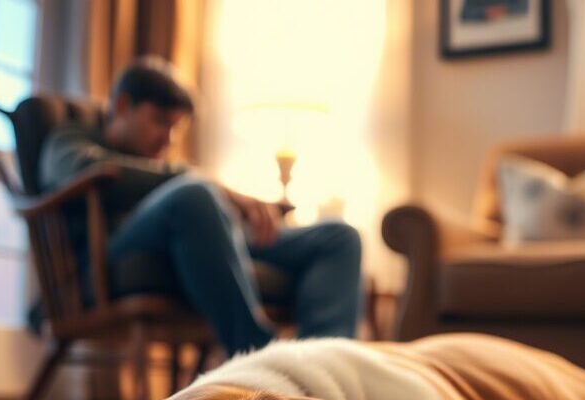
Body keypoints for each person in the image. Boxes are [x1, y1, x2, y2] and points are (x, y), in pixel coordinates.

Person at [39, 56, 362, 357]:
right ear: (123, 106)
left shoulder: (172, 173)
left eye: (175, 129)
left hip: (203, 239)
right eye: (159, 121)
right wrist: (200, 182)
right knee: (194, 194)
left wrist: (237, 205)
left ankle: (321, 365)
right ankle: (257, 355)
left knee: (340, 237)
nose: (167, 140)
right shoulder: (71, 139)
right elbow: (81, 169)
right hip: (111, 250)